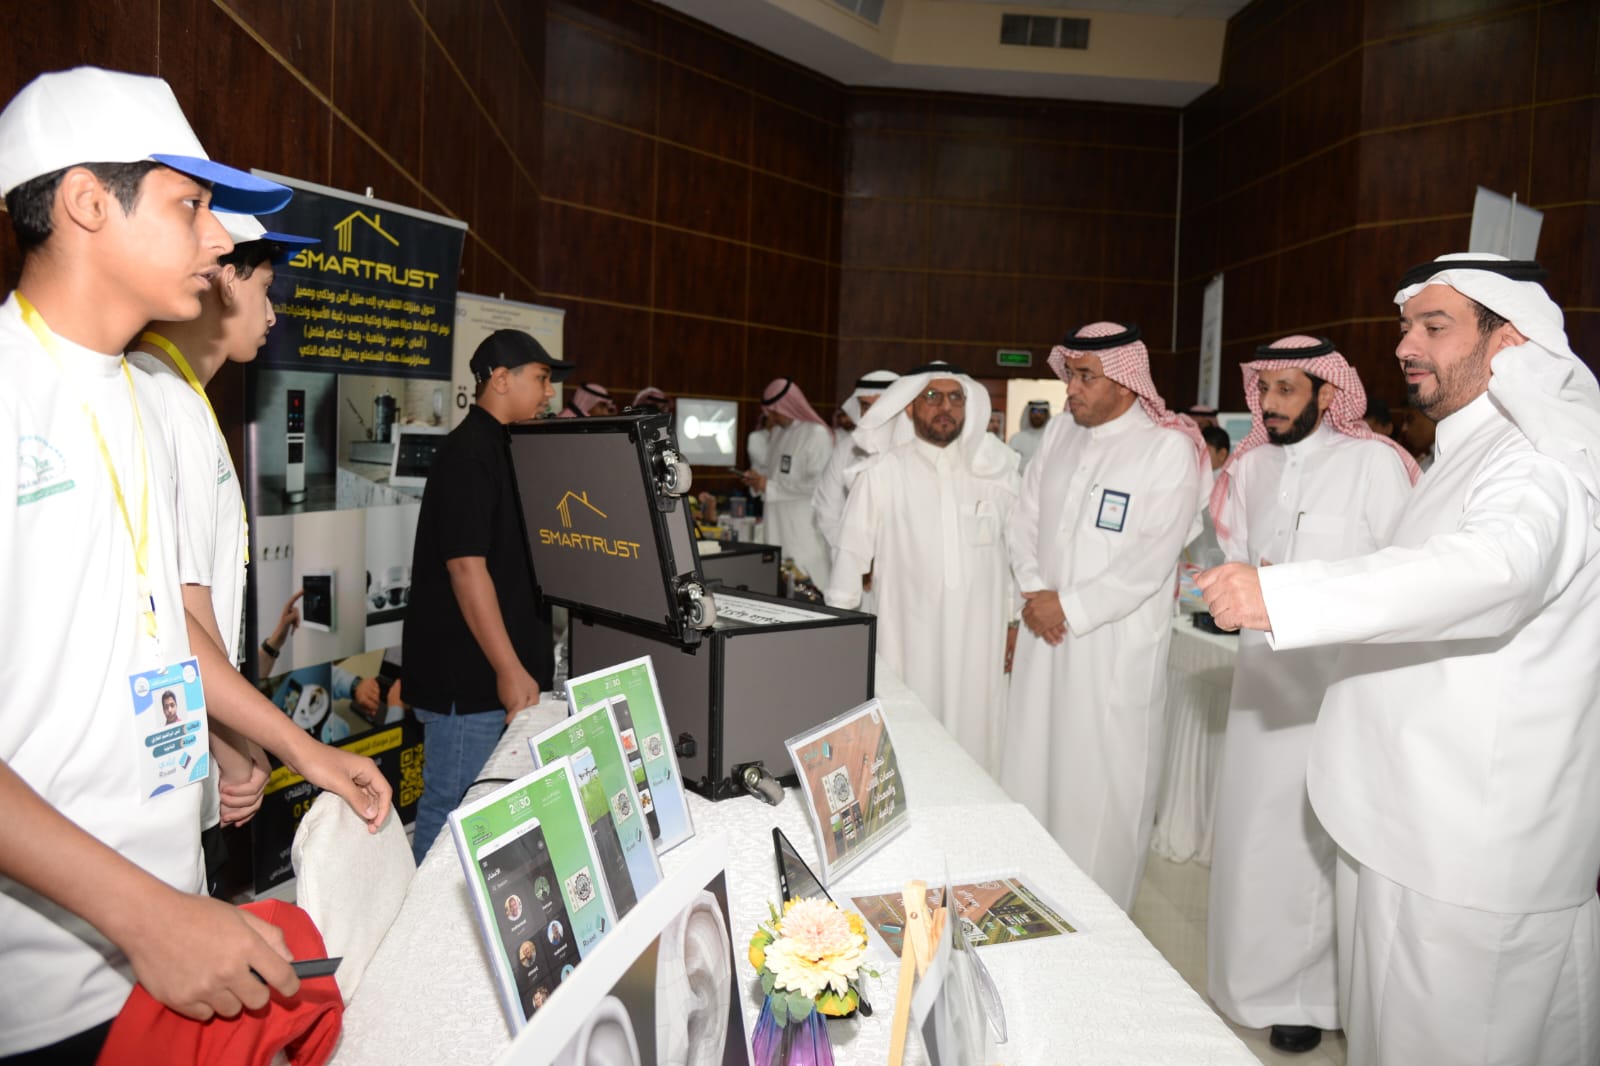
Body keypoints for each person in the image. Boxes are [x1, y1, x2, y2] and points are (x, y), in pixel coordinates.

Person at [0, 66, 388, 1062]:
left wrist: (304, 752)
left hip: (164, 943)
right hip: (44, 980)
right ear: (88, 201)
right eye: (191, 205)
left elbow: (171, 632)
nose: (220, 242)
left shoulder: (142, 400)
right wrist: (145, 917)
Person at [1198, 254, 1600, 1066]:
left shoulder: (1535, 466)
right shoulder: (1474, 454)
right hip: (1410, 826)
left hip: (1467, 851)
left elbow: (1494, 571)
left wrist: (1287, 597)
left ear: (1510, 342)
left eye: (1436, 326)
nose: (1408, 346)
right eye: (1406, 328)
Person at [1204, 336, 1417, 1055]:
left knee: (1318, 839)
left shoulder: (1376, 465)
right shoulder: (1253, 464)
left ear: (1330, 393)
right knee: (1254, 832)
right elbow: (1235, 559)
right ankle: (1245, 980)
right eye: (1263, 391)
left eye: (1286, 390)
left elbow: (1404, 575)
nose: (1268, 405)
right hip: (1263, 679)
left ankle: (1311, 996)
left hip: (1336, 686)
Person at [128, 211, 317, 879]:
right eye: (266, 288)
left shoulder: (179, 397)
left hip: (187, 755)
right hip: (167, 770)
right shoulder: (162, 399)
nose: (271, 316)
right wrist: (239, 746)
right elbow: (184, 611)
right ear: (221, 281)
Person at [1001, 322, 1208, 911]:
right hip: (1046, 636)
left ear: (1125, 380)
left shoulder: (1165, 449)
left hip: (1112, 650)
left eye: (1085, 376)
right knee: (1035, 772)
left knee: (1101, 789)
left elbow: (1152, 557)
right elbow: (1025, 517)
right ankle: (1027, 904)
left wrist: (1068, 605)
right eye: (1069, 373)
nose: (1071, 388)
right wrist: (1037, 592)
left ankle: (1098, 928)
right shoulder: (1061, 432)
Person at [404, 329, 573, 862]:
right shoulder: (468, 454)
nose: (549, 392)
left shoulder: (508, 448)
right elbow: (465, 567)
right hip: (470, 685)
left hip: (500, 682)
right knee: (452, 815)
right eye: (542, 378)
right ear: (501, 379)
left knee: (489, 820)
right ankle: (418, 944)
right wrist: (508, 668)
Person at [823, 364, 1020, 773]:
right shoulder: (882, 471)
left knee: (978, 743)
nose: (944, 407)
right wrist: (840, 632)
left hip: (980, 638)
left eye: (954, 397)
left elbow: (1016, 551)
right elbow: (850, 554)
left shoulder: (996, 471)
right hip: (908, 636)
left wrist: (1015, 620)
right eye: (931, 397)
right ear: (909, 408)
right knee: (910, 744)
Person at [741, 378, 833, 587]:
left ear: (789, 405)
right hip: (775, 529)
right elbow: (773, 477)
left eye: (775, 410)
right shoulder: (777, 434)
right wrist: (757, 481)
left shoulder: (815, 434)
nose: (770, 416)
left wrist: (770, 486)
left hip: (802, 533)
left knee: (809, 594)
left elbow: (819, 485)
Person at [812, 370, 899, 551]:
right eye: (866, 406)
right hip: (854, 557)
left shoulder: (918, 448)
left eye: (882, 404)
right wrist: (853, 558)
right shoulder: (845, 449)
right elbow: (827, 509)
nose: (874, 412)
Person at [1007, 399, 1051, 469]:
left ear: (1047, 415)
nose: (1038, 415)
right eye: (1034, 411)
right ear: (1028, 413)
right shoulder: (1016, 439)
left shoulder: (1051, 438)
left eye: (1041, 411)